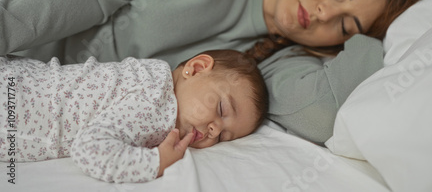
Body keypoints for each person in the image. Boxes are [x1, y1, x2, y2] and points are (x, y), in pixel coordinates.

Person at [0, 0, 432, 144]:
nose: (324, 13)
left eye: (345, 24)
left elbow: (322, 117)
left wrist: (372, 36)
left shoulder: (270, 64)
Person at [0, 50, 268, 183]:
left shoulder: (149, 75)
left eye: (223, 136)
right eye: (221, 110)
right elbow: (90, 150)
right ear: (196, 68)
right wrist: (156, 162)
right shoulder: (157, 103)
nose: (213, 129)